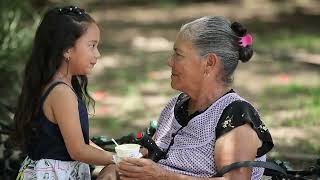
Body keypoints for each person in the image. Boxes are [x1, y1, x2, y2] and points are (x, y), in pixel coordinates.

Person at [114, 16, 274, 180]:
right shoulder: (176, 105)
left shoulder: (236, 118)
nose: (170, 61)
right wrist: (117, 168)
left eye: (178, 54)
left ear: (209, 63)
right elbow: (154, 155)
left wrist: (162, 176)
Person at [11, 6, 113, 179]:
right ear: (67, 50)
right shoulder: (61, 93)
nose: (98, 54)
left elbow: (80, 142)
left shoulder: (54, 84)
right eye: (92, 46)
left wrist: (117, 156)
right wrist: (118, 159)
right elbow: (78, 150)